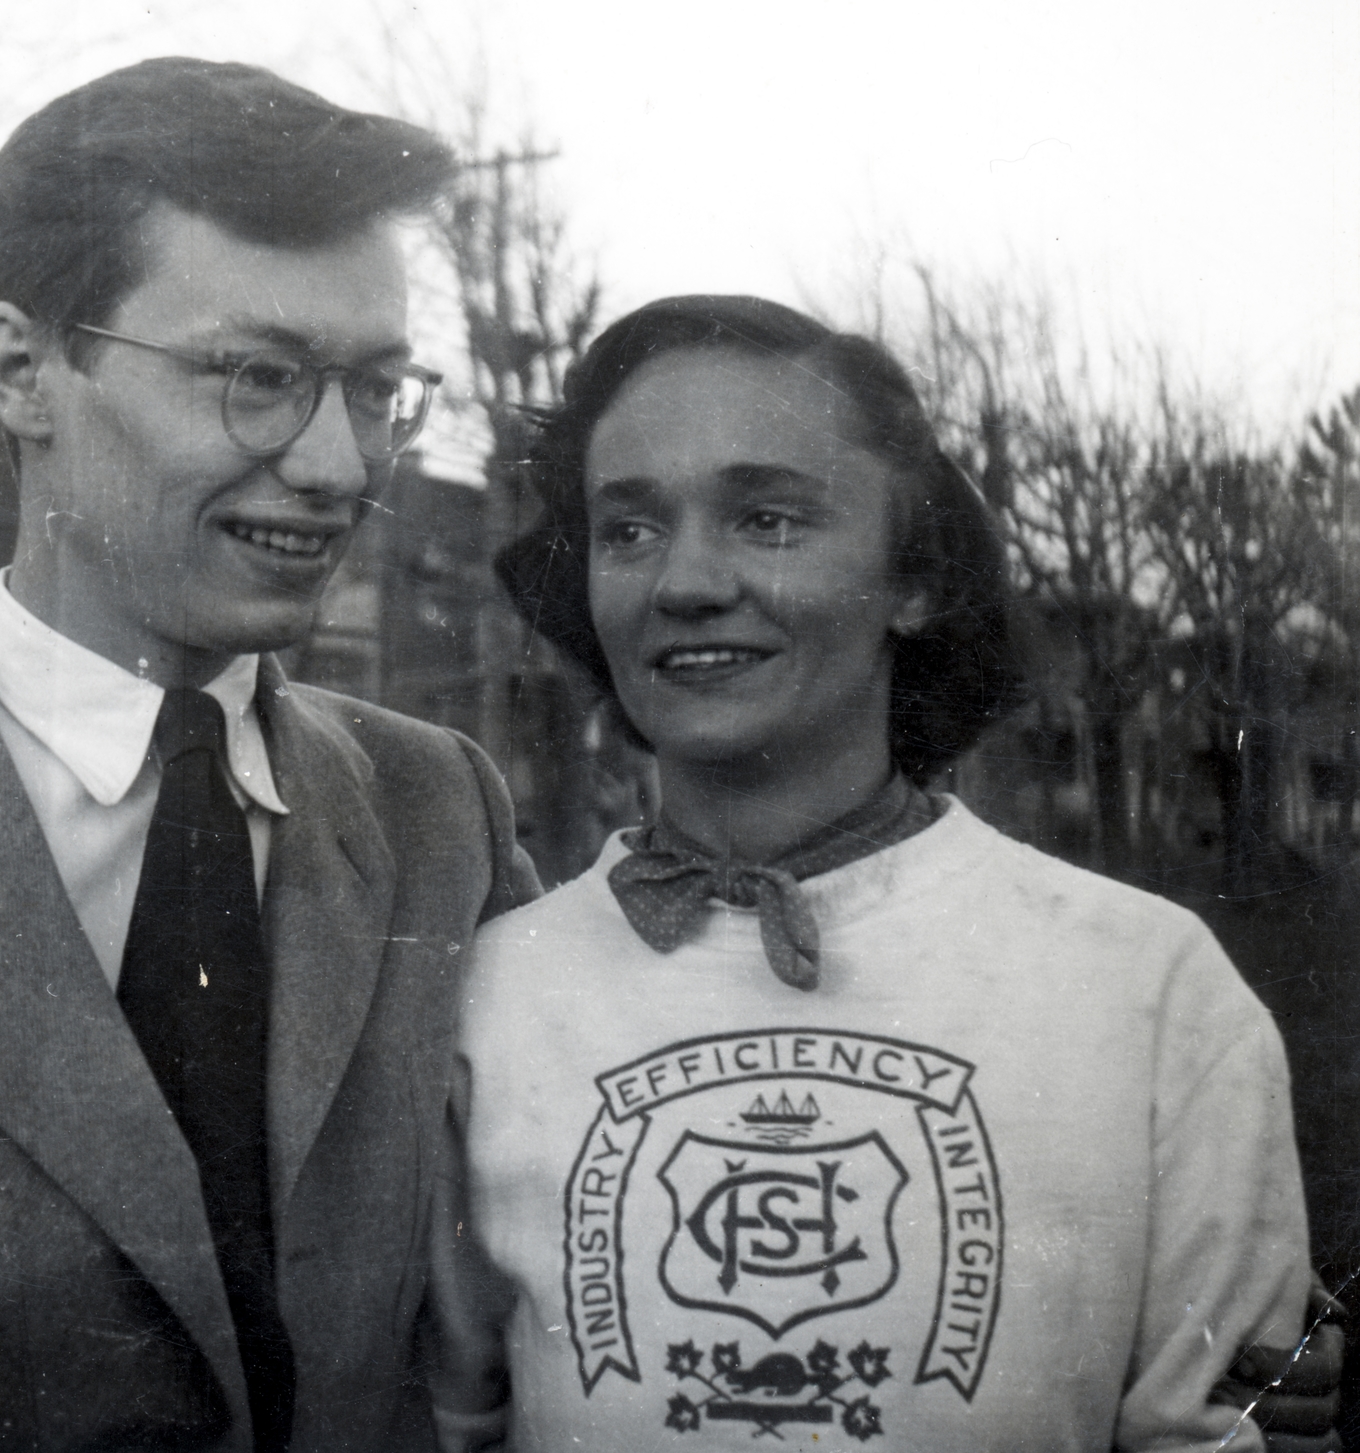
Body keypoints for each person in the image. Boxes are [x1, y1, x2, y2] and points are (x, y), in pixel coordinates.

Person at [0, 57, 539, 1452]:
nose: (340, 464)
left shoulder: (444, 813)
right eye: (258, 376)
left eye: (374, 389)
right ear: (22, 369)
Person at [431, 295, 1320, 1451]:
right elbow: (448, 1423)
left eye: (768, 518)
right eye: (630, 529)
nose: (684, 581)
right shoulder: (492, 993)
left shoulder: (1145, 987)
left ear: (916, 580)